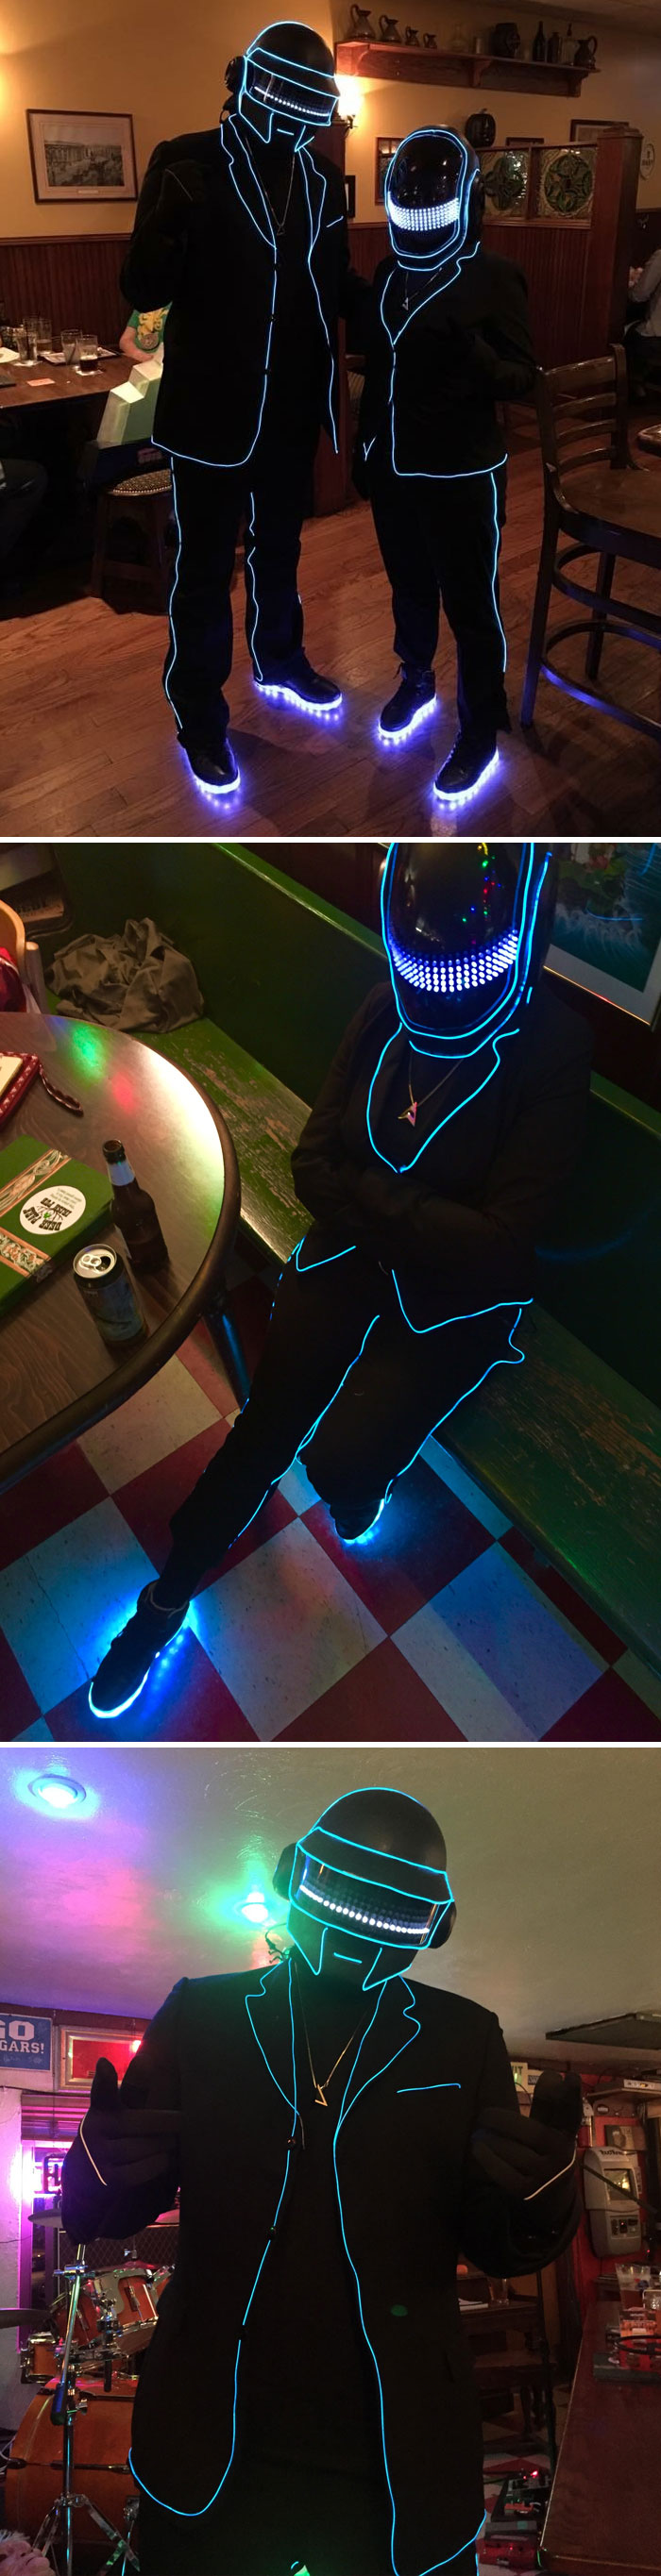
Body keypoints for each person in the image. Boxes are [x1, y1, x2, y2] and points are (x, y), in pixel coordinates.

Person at [89, 841, 593, 1717]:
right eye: (421, 972)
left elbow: (502, 1248)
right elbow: (309, 1163)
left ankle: (363, 1488)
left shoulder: (553, 1043)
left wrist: (370, 1194)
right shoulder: (386, 1002)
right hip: (357, 1250)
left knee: (340, 1461)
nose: (438, 992)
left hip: (454, 1298)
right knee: (267, 1424)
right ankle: (165, 1599)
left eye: (462, 972)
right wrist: (408, 1210)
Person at [61, 1782, 583, 2576]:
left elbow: (497, 2241)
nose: (359, 1925)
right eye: (341, 1892)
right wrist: (92, 2172)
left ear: (434, 1927)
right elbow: (112, 2208)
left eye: (396, 1912)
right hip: (211, 2441)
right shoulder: (201, 2016)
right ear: (291, 1876)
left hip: (400, 2451)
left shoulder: (462, 2038)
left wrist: (544, 2204)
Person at [120, 21, 369, 796]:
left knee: (280, 550)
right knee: (201, 571)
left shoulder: (321, 179)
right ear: (252, 86)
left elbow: (336, 285)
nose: (297, 121)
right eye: (286, 99)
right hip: (209, 414)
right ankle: (198, 713)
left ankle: (279, 658)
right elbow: (143, 291)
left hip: (291, 407)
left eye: (310, 107)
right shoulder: (186, 161)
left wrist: (405, 314)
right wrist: (166, 222)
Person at [357, 128, 535, 806]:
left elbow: (524, 378)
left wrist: (477, 357)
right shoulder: (388, 274)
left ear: (468, 205)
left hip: (462, 475)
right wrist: (367, 448)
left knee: (471, 606)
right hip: (394, 468)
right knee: (409, 587)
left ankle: (480, 728)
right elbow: (380, 369)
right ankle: (416, 679)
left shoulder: (496, 277)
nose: (419, 226)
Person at [626, 248, 661, 397]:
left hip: (655, 339)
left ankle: (635, 384)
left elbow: (638, 295)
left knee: (624, 335)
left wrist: (630, 283)